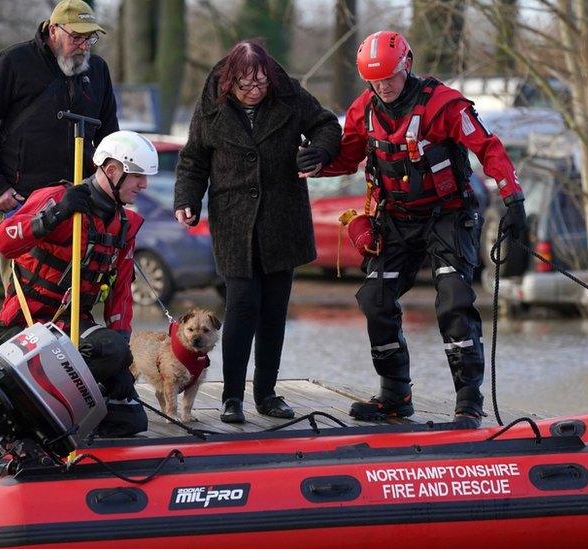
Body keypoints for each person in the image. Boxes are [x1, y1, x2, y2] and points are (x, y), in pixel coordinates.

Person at [317, 31, 527, 428]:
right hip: (395, 219)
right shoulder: (365, 110)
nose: (384, 88)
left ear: (406, 66)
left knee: (453, 301)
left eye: (390, 79)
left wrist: (512, 198)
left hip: (447, 216)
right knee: (375, 300)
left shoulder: (443, 105)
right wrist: (315, 161)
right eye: (375, 82)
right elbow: (346, 158)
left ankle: (468, 401)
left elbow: (489, 148)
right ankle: (395, 396)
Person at [174, 40, 341, 424]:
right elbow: (194, 157)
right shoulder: (212, 104)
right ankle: (231, 398)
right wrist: (186, 198)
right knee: (242, 306)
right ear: (230, 81)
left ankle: (266, 394)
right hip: (233, 221)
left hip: (283, 219)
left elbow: (327, 125)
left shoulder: (288, 94)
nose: (254, 91)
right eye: (245, 86)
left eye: (260, 83)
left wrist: (319, 152)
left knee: (273, 312)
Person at [0, 130, 158, 437]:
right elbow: (4, 241)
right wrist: (54, 216)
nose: (143, 185)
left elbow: (121, 292)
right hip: (25, 327)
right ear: (111, 170)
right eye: (137, 176)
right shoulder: (56, 199)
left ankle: (64, 413)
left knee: (132, 420)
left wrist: (123, 352)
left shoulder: (124, 225)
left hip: (72, 331)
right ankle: (35, 410)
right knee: (109, 350)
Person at [0, 0, 119, 286]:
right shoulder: (14, 61)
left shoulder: (97, 70)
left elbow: (109, 138)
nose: (85, 46)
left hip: (77, 201)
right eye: (76, 37)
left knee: (68, 291)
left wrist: (111, 190)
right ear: (53, 31)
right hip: (22, 201)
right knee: (21, 290)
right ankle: (8, 331)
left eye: (90, 38)